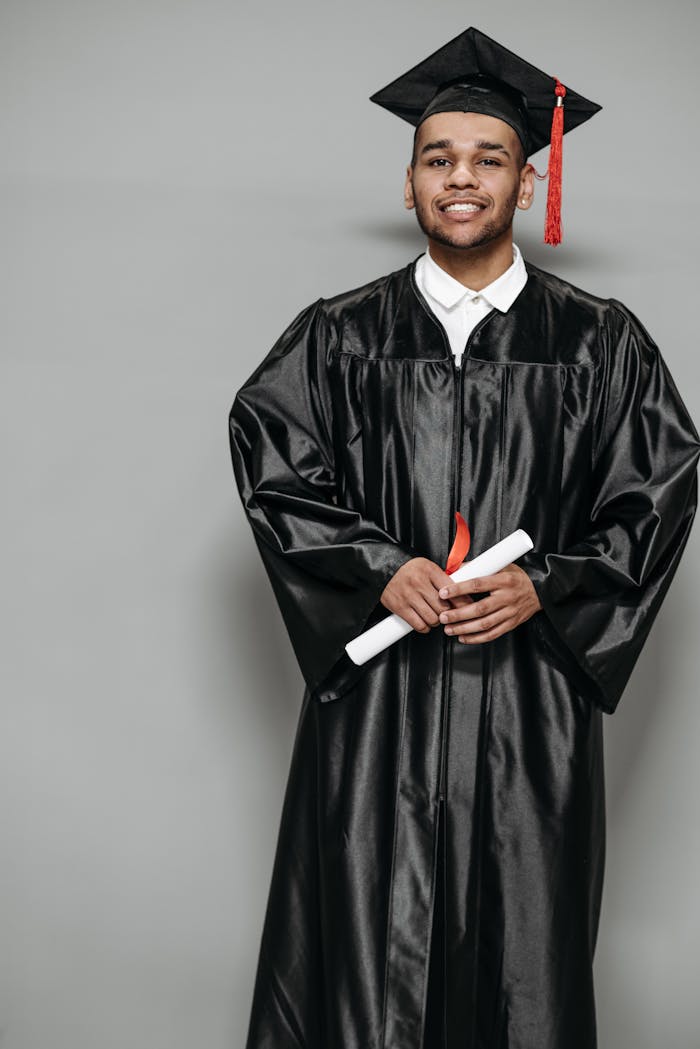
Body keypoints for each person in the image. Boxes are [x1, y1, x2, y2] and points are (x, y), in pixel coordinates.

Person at [228, 27, 700, 1049]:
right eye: (437, 157)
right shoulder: (339, 337)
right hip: (380, 711)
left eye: (488, 159)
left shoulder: (597, 343)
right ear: (408, 185)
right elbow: (273, 465)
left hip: (529, 707)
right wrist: (375, 567)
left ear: (525, 185)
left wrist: (549, 583)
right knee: (363, 954)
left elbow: (655, 494)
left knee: (521, 962)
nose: (461, 177)